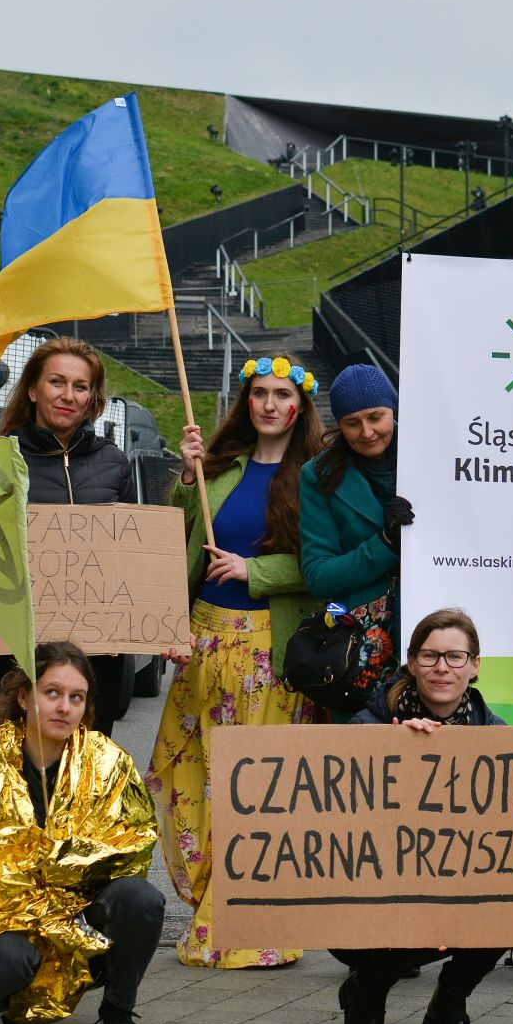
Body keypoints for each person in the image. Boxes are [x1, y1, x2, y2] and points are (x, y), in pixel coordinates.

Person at [147, 354, 322, 969]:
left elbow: (330, 564)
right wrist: (187, 475)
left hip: (266, 653)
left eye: (282, 395)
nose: (270, 404)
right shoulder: (222, 468)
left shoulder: (317, 477)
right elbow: (181, 537)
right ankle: (210, 906)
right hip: (202, 642)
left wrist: (258, 572)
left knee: (255, 789)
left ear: (300, 407)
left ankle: (245, 923)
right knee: (180, 776)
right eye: (259, 394)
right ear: (246, 403)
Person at [0, 642, 164, 1024]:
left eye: (75, 697)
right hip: (9, 910)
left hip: (85, 908)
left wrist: (61, 863)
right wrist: (50, 865)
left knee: (141, 899)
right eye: (52, 693)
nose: (64, 707)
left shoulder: (108, 762)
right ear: (25, 697)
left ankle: (117, 1009)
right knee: (1, 965)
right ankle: (13, 1001)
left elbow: (133, 845)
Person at [332, 608, 508, 1024]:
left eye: (455, 656)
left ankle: (449, 1009)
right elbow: (335, 813)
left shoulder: (497, 738)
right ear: (411, 662)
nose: (442, 668)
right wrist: (390, 749)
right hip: (375, 893)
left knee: (509, 910)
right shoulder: (370, 723)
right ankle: (365, 996)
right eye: (430, 656)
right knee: (406, 924)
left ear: (475, 665)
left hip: (456, 887)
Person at [0, 336, 136, 731]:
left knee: (85, 776)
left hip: (96, 662)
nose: (68, 396)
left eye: (81, 386)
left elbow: (132, 557)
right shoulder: (0, 461)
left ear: (92, 397)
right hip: (18, 659)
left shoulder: (114, 463)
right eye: (57, 382)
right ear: (33, 389)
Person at [299, 363, 406, 710]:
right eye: (352, 423)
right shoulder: (318, 475)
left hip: (433, 632)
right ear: (339, 425)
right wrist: (384, 545)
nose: (367, 431)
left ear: (394, 409)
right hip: (359, 648)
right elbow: (319, 576)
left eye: (376, 417)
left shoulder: (434, 456)